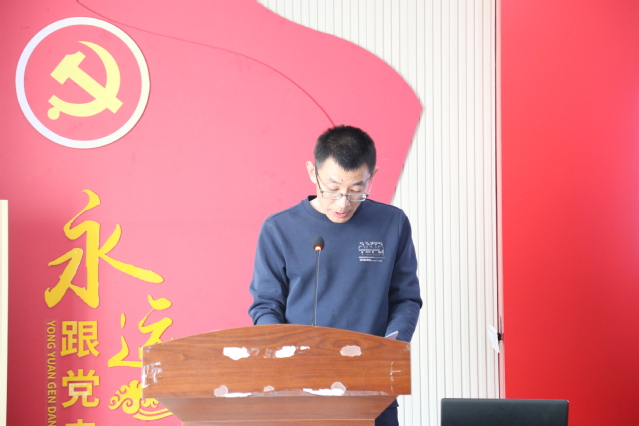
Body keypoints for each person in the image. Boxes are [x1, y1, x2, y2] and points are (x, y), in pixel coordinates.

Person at [248, 125, 422, 426]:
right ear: (312, 172)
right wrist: (283, 351)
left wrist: (390, 347)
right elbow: (265, 306)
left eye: (356, 190)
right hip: (298, 387)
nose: (343, 203)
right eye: (332, 188)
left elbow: (405, 299)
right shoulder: (279, 229)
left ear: (372, 176)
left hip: (371, 385)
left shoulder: (392, 223)